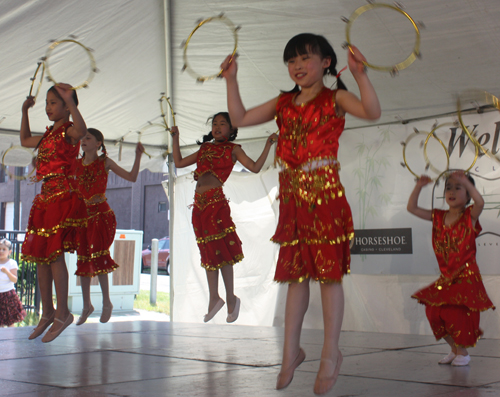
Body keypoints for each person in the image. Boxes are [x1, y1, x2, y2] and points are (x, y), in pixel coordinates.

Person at [221, 33, 381, 394]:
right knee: (295, 277)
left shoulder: (334, 97)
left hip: (324, 194)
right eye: (291, 61)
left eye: (305, 59)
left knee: (328, 277)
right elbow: (240, 118)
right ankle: (290, 353)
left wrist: (361, 75)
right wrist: (231, 79)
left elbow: (373, 112)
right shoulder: (283, 102)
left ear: (326, 62)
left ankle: (329, 353)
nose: (297, 66)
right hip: (293, 198)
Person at [172, 112, 277, 323]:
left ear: (231, 129)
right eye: (214, 124)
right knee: (208, 251)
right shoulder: (205, 148)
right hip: (199, 206)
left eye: (222, 124)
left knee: (222, 252)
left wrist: (268, 145)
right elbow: (179, 162)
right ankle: (214, 298)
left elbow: (255, 167)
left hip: (215, 204)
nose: (217, 127)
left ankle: (230, 297)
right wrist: (175, 137)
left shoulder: (233, 149)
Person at [21, 84, 88, 342]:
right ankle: (47, 311)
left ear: (66, 106)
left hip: (62, 197)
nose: (48, 108)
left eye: (53, 103)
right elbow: (25, 140)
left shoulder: (68, 132)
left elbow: (82, 131)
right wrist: (25, 112)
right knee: (40, 256)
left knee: (54, 254)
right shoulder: (48, 135)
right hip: (45, 199)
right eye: (47, 103)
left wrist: (72, 102)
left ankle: (63, 313)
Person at [408, 171, 495, 366]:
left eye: (458, 187)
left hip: (466, 276)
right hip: (446, 278)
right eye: (448, 188)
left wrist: (467, 181)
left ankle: (463, 353)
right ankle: (455, 350)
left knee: (456, 314)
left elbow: (480, 203)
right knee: (433, 312)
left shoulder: (469, 216)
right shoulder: (438, 216)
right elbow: (411, 208)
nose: (452, 191)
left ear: (468, 195)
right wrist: (419, 186)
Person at [73, 128, 145, 325]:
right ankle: (87, 305)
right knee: (83, 259)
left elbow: (131, 177)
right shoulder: (76, 164)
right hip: (82, 217)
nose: (83, 140)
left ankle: (107, 302)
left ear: (98, 143)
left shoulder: (105, 162)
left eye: (88, 138)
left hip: (100, 215)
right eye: (83, 137)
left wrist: (138, 156)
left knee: (99, 256)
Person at [0, 239, 27, 328]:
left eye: (4, 249)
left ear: (9, 252)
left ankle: (12, 339)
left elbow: (14, 280)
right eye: (0, 249)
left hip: (8, 294)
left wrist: (6, 272)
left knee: (10, 320)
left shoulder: (11, 263)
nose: (1, 251)